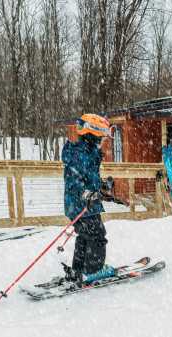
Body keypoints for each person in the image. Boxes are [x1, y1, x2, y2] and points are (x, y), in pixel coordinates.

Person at [62, 113, 115, 285]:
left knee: (85, 235)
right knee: (98, 235)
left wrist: (101, 186)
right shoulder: (79, 153)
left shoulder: (89, 152)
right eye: (100, 137)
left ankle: (79, 270)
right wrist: (87, 194)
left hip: (83, 204)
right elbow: (74, 180)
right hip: (81, 204)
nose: (102, 141)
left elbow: (88, 177)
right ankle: (93, 270)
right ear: (92, 134)